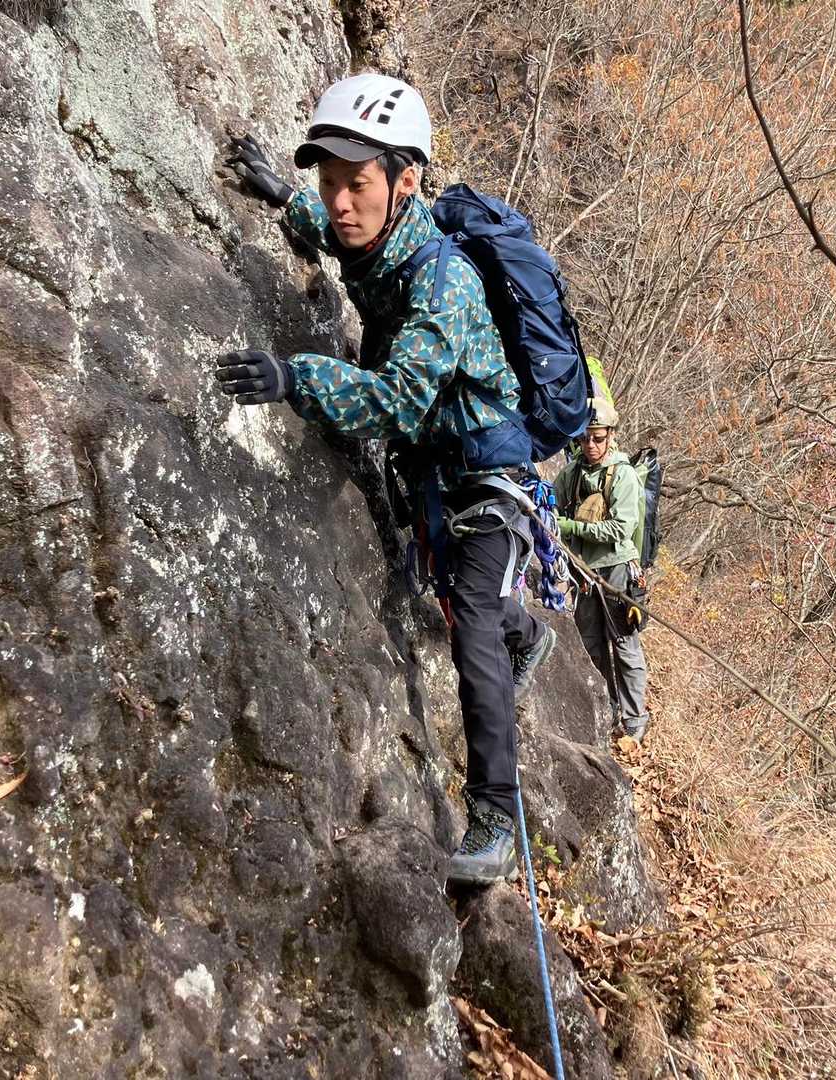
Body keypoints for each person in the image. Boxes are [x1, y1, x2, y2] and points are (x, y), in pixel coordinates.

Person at [217, 73, 557, 885]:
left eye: (357, 183)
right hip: (438, 470)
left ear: (406, 183)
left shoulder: (443, 279)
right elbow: (338, 235)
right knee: (468, 596)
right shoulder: (375, 236)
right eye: (328, 182)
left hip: (490, 477)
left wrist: (295, 377)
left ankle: (493, 821)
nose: (340, 202)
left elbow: (398, 401)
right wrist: (283, 198)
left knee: (469, 622)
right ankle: (528, 633)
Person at [553, 398, 652, 743]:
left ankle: (635, 720)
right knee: (591, 645)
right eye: (584, 438)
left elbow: (621, 529)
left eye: (597, 438)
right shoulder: (570, 474)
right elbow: (552, 506)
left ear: (610, 436)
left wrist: (571, 528)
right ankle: (606, 711)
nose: (590, 445)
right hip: (584, 573)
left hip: (618, 570)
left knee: (624, 645)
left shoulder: (623, 475)